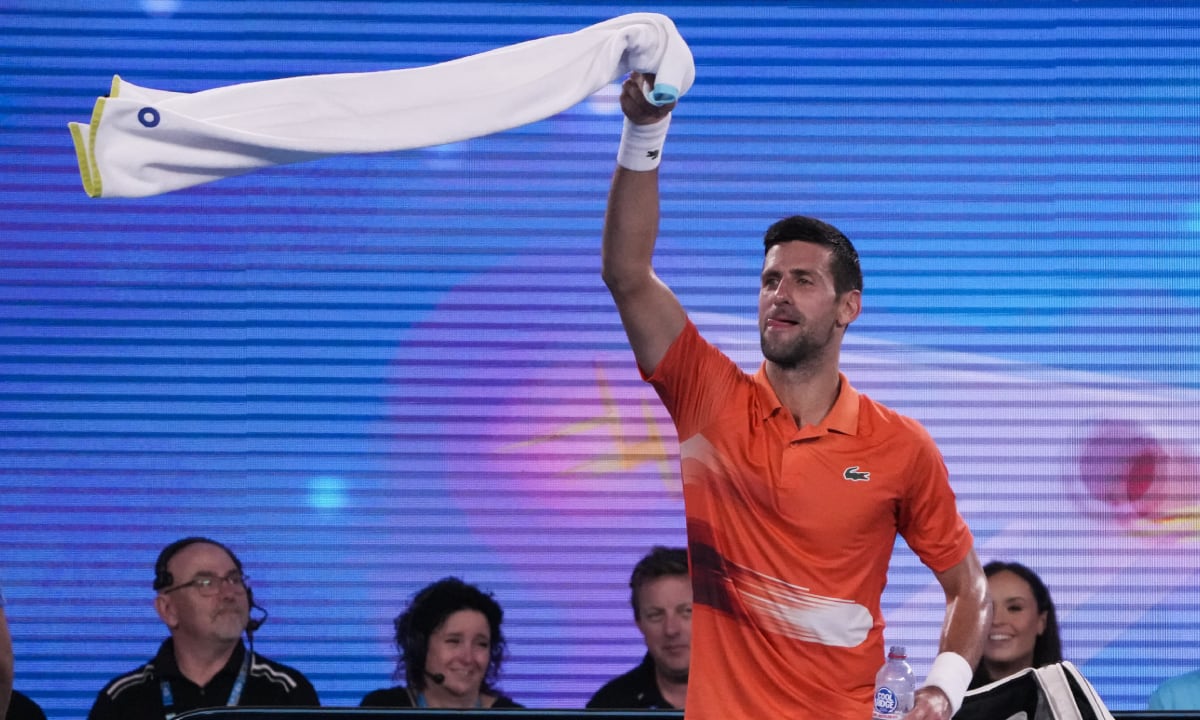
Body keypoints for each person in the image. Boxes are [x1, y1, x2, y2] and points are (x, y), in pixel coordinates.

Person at [599, 71, 993, 720]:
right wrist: (645, 128)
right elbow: (627, 273)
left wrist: (940, 691)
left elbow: (967, 586)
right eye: (769, 279)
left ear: (847, 309)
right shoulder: (707, 396)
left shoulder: (901, 446)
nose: (778, 293)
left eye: (802, 280)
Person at [88, 537, 319, 720]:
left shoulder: (286, 692)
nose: (229, 594)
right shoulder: (123, 699)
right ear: (168, 609)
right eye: (206, 583)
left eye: (234, 579)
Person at [360, 576, 522, 709]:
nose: (468, 658)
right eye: (453, 641)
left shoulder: (513, 715)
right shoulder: (383, 708)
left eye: (481, 644)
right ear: (420, 647)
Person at [587, 546, 692, 709]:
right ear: (639, 623)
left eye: (687, 612)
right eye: (655, 615)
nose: (671, 630)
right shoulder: (610, 707)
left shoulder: (745, 693)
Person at [969, 560, 1062, 689]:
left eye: (1014, 608)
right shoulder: (944, 703)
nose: (996, 620)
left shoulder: (1073, 702)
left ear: (1042, 621)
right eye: (986, 607)